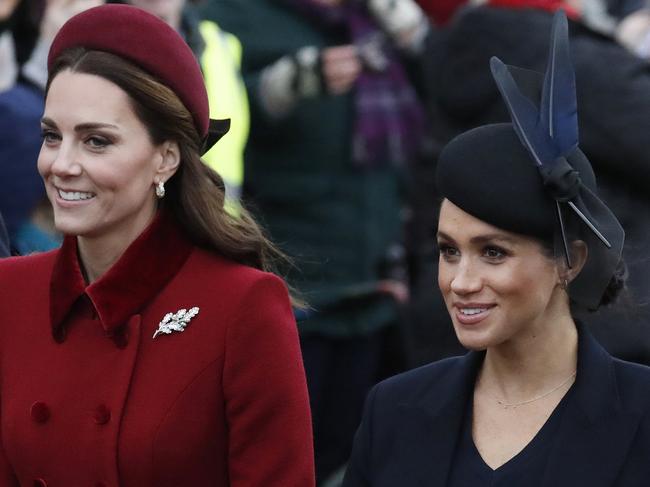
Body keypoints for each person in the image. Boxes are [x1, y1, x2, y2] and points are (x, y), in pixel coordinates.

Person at [0, 4, 314, 486]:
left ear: (165, 159)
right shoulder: (10, 292)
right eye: (51, 136)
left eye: (96, 141)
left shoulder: (242, 307)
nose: (61, 164)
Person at [343, 11, 650, 486]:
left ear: (572, 260)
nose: (460, 283)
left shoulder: (640, 414)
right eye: (449, 251)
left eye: (493, 253)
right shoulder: (394, 410)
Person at [201, 0, 430, 483]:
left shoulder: (372, 22)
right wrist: (280, 86)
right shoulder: (233, 15)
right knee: (280, 453)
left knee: (346, 452)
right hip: (291, 287)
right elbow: (208, 110)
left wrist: (414, 38)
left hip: (370, 285)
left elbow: (436, 111)